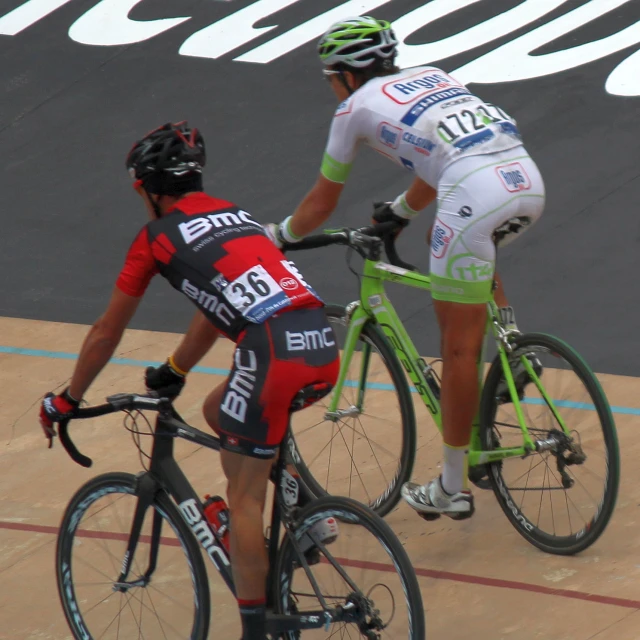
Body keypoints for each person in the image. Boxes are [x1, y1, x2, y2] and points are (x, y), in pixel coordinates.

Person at [40, 122, 340, 640]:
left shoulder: (156, 238)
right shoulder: (236, 215)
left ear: (148, 189)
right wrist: (178, 368)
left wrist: (68, 400)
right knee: (218, 410)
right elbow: (215, 305)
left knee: (243, 501)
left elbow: (106, 331)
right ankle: (303, 504)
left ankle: (255, 627)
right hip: (319, 342)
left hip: (270, 353)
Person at [265, 16, 545, 521]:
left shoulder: (353, 109)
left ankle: (453, 487)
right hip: (525, 179)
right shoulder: (436, 76)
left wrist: (279, 236)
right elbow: (443, 163)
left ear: (347, 75)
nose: (332, 88)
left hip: (474, 192)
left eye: (330, 77)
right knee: (477, 256)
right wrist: (401, 212)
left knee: (458, 348)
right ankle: (514, 344)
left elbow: (320, 205)